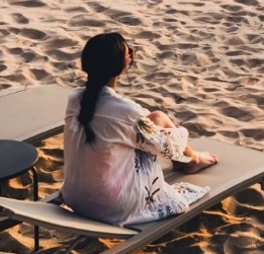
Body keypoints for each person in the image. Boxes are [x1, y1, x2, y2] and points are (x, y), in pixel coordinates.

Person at [62, 32, 219, 226]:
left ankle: (191, 159)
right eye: (130, 52)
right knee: (157, 122)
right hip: (110, 207)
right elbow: (162, 146)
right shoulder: (125, 111)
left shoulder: (75, 99)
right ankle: (192, 160)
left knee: (153, 121)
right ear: (124, 63)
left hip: (74, 198)